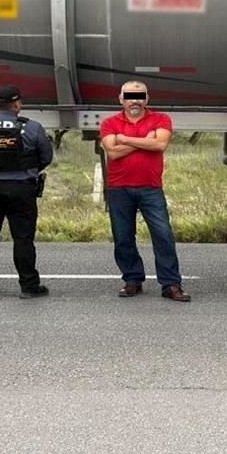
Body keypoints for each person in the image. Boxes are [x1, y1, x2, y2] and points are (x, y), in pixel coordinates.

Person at [99, 81, 191, 302]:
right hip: (119, 188)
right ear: (121, 99)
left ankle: (170, 284)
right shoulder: (109, 123)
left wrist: (126, 139)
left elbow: (160, 145)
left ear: (146, 99)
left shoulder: (161, 119)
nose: (135, 100)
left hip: (151, 188)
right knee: (123, 237)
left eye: (139, 96)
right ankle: (132, 280)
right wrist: (145, 140)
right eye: (129, 96)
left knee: (163, 235)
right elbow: (112, 152)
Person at [0, 84, 53, 299]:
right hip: (21, 189)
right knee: (23, 238)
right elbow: (46, 157)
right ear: (16, 103)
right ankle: (29, 286)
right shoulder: (31, 127)